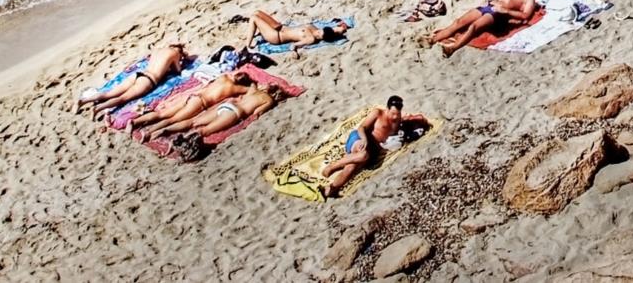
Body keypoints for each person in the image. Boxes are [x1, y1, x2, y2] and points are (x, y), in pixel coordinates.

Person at [318, 94, 429, 198]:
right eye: (393, 113)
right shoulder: (378, 113)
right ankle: (332, 166)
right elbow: (362, 127)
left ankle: (332, 189)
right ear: (387, 109)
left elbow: (421, 119)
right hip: (359, 139)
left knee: (351, 167)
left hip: (371, 149)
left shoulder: (399, 118)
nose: (395, 116)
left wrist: (419, 123)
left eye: (397, 114)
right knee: (363, 155)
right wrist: (364, 139)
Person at [150, 77, 287, 144]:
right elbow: (257, 113)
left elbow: (252, 83)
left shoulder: (253, 90)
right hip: (234, 113)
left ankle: (164, 130)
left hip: (225, 106)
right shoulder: (268, 100)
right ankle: (178, 142)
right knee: (204, 131)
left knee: (193, 122)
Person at [425, 0, 543, 56]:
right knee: (458, 23)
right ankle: (432, 40)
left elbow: (525, 16)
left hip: (498, 13)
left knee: (473, 27)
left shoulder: (529, 0)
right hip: (488, 6)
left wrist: (506, 11)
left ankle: (452, 49)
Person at [79, 41, 191, 117]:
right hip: (148, 80)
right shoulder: (175, 54)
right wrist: (181, 60)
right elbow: (177, 71)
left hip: (137, 74)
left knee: (110, 93)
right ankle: (98, 108)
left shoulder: (158, 50)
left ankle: (84, 101)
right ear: (180, 51)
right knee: (123, 98)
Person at [246, 11, 350, 55]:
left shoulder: (311, 39)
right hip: (279, 27)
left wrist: (294, 52)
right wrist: (340, 29)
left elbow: (293, 45)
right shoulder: (314, 28)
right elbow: (334, 30)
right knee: (257, 13)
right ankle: (254, 31)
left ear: (321, 37)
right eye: (320, 30)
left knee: (254, 18)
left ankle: (248, 44)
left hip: (276, 36)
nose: (317, 31)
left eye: (319, 34)